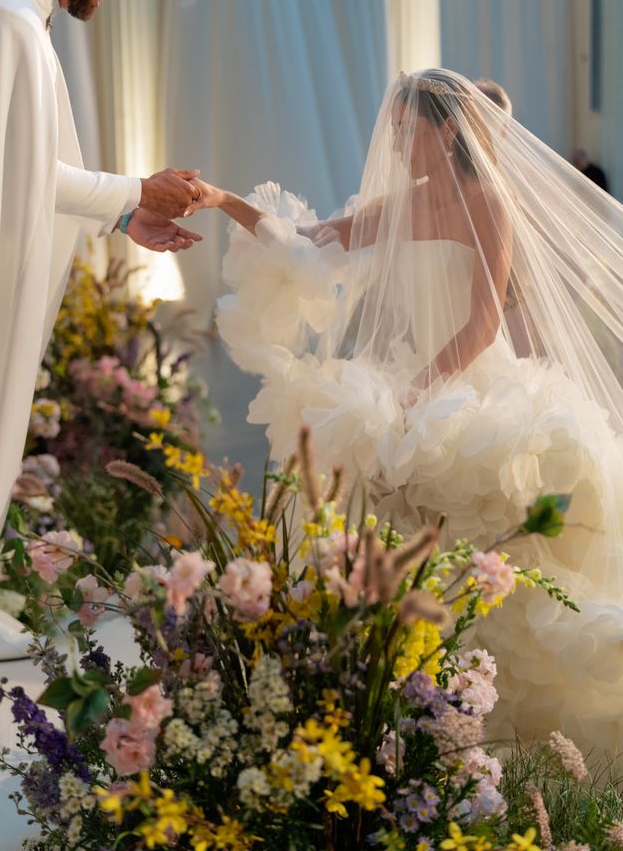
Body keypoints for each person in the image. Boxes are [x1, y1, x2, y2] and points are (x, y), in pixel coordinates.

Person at [191, 68, 623, 755]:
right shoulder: (404, 203)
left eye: (405, 126)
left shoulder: (489, 199)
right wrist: (222, 202)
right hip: (407, 388)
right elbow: (308, 242)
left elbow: (483, 324)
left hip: (468, 387)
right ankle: (411, 729)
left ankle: (501, 740)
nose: (392, 138)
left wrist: (414, 395)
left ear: (446, 129)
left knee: (489, 567)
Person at [0, 0, 202, 659]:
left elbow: (34, 164)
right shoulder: (9, 15)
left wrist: (122, 214)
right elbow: (16, 170)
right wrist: (137, 192)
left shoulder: (15, 1)